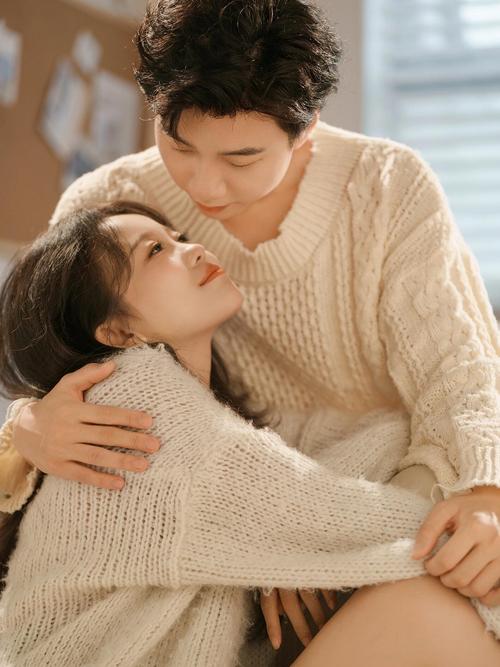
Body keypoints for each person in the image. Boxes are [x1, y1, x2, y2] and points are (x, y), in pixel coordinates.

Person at [1, 0, 500, 663]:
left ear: (307, 126)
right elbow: (63, 360)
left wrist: (481, 494)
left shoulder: (388, 186)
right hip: (239, 527)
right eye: (178, 143)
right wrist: (24, 427)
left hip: (367, 493)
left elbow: (462, 380)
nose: (204, 184)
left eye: (242, 157)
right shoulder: (109, 204)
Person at [0, 199, 467, 666]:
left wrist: (282, 547)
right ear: (119, 333)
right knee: (449, 591)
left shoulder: (198, 406)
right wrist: (294, 540)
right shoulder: (133, 400)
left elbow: (373, 441)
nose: (193, 249)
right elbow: (341, 515)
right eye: (155, 251)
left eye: (178, 238)